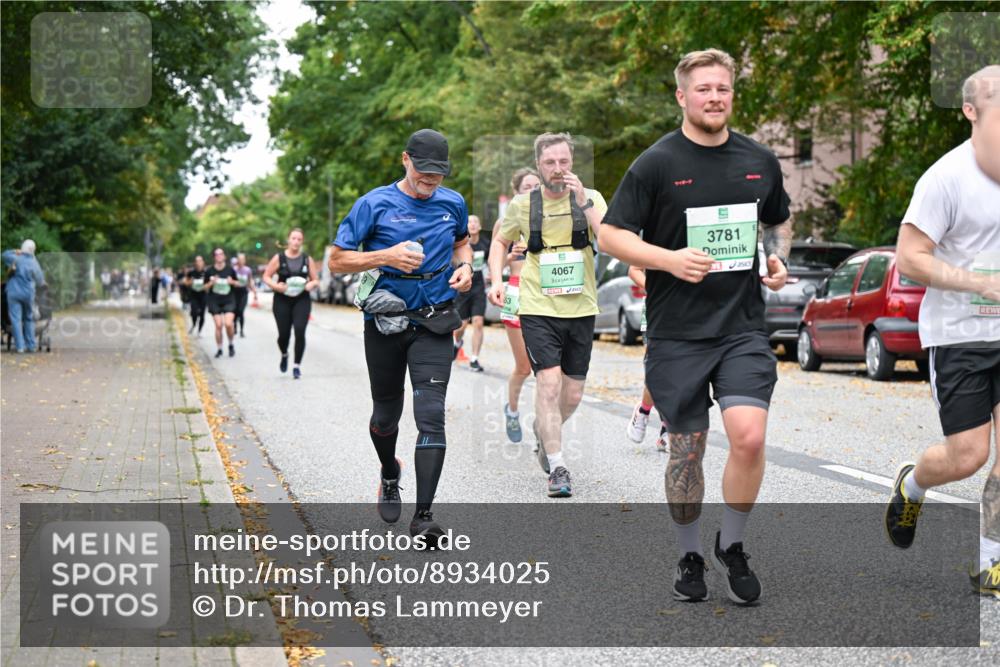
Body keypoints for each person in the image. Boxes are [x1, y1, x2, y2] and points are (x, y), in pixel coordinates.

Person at [599, 49, 791, 604]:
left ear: (732, 94)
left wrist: (775, 258)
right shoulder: (656, 163)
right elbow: (612, 235)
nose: (714, 97)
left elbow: (776, 218)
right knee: (687, 451)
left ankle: (731, 545)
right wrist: (669, 260)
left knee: (750, 437)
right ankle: (688, 553)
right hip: (677, 332)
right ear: (683, 96)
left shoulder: (757, 158)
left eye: (723, 89)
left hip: (741, 328)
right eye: (703, 89)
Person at [883, 65, 1000, 597]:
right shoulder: (946, 177)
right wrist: (980, 283)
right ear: (971, 111)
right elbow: (910, 259)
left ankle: (992, 563)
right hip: (960, 335)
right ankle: (913, 483)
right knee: (968, 455)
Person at [329, 128, 473, 544]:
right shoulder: (373, 204)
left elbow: (462, 244)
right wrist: (386, 256)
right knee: (384, 417)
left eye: (438, 175)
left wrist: (466, 269)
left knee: (431, 415)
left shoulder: (453, 202)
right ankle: (390, 473)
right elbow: (337, 261)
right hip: (386, 324)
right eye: (424, 172)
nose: (431, 182)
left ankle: (424, 517)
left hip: (434, 320)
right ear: (405, 159)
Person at [488, 133, 607, 498]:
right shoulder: (523, 205)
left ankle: (544, 432)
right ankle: (557, 466)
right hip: (537, 305)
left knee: (571, 395)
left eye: (564, 162)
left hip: (581, 306)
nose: (558, 169)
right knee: (548, 383)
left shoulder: (591, 198)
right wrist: (495, 279)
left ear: (572, 163)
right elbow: (499, 240)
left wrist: (585, 201)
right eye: (550, 163)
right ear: (538, 166)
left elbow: (608, 236)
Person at [498, 167, 540, 443]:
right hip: (515, 292)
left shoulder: (549, 219)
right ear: (516, 192)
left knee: (548, 369)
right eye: (527, 186)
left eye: (537, 186)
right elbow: (494, 266)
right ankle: (511, 411)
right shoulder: (507, 224)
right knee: (524, 367)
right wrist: (509, 254)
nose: (533, 191)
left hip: (544, 296)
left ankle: (545, 427)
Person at [623, 266, 670, 450]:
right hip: (656, 309)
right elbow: (633, 270)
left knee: (680, 371)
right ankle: (643, 410)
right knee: (658, 368)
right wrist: (655, 287)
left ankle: (668, 426)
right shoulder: (653, 238)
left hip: (689, 309)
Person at [262, 229, 318, 379]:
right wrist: (275, 286)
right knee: (283, 335)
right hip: (282, 300)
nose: (296, 241)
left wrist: (311, 285)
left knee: (300, 331)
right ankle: (285, 354)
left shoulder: (307, 259)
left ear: (302, 242)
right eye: (293, 238)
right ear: (288, 240)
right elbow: (266, 276)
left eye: (299, 239)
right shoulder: (278, 258)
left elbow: (315, 279)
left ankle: (296, 366)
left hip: (301, 299)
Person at [452, 215, 490, 372]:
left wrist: (493, 274)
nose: (473, 225)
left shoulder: (485, 244)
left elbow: (491, 261)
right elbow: (454, 261)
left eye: (475, 222)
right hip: (464, 287)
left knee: (478, 322)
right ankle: (457, 343)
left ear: (480, 226)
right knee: (461, 325)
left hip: (479, 287)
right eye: (469, 222)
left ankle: (474, 358)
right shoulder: (461, 245)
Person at [2, 240, 46, 353]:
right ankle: (31, 346)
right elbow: (40, 281)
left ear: (22, 248)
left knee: (15, 320)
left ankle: (20, 347)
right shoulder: (34, 263)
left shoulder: (15, 258)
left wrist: (15, 251)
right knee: (29, 318)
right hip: (28, 294)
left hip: (14, 293)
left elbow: (3, 255)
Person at [204, 248, 239, 358]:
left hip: (229, 299)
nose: (219, 256)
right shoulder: (209, 271)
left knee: (228, 324)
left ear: (224, 256)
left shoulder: (230, 270)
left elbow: (238, 283)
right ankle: (219, 348)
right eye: (217, 254)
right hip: (214, 300)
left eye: (221, 254)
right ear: (214, 257)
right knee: (219, 325)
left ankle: (231, 344)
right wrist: (211, 282)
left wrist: (231, 282)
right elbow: (204, 287)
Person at [233, 252, 258, 338]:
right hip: (235, 293)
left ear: (244, 260)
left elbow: (250, 281)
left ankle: (241, 330)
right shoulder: (234, 269)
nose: (241, 261)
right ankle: (235, 327)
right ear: (237, 260)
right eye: (239, 259)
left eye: (243, 259)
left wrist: (254, 291)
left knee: (241, 311)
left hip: (244, 292)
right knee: (235, 311)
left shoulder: (247, 270)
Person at [184, 257, 208, 335]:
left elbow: (210, 283)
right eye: (197, 261)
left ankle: (199, 330)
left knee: (202, 314)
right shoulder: (191, 273)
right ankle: (194, 324)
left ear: (203, 262)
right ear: (195, 263)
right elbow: (186, 282)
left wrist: (206, 286)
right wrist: (189, 282)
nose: (198, 263)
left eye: (200, 261)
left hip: (203, 296)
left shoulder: (206, 272)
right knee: (194, 312)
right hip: (194, 295)